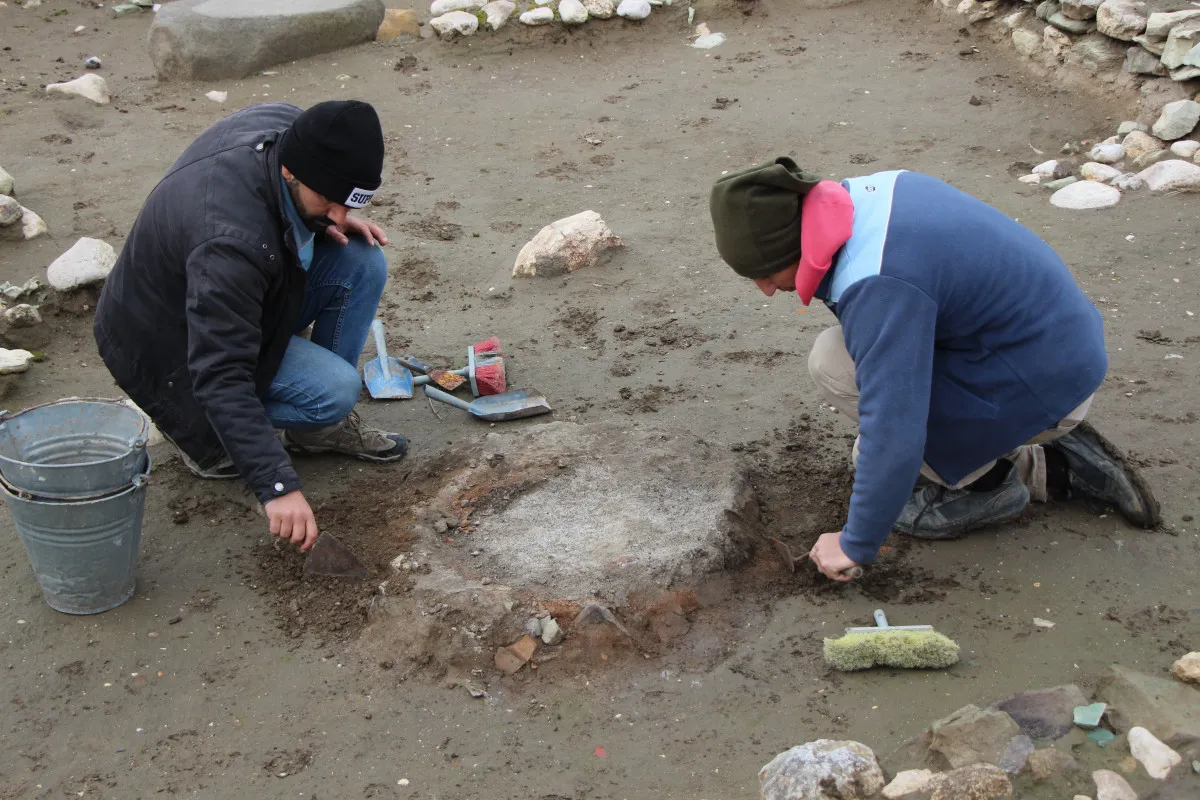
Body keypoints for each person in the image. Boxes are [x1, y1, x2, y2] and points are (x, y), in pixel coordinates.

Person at [709, 157, 1160, 581]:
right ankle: (1054, 459)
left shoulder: (878, 282)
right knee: (872, 440)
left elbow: (895, 430)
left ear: (793, 244)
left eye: (766, 273)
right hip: (1055, 352)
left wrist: (854, 543)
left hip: (1043, 379)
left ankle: (991, 488)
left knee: (837, 373)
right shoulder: (867, 196)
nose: (765, 290)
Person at [94, 99, 408, 554]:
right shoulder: (230, 242)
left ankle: (316, 430)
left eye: (348, 203)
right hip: (166, 343)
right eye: (329, 201)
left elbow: (316, 204)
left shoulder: (291, 134)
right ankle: (203, 435)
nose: (340, 215)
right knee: (336, 391)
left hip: (226, 297)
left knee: (361, 260)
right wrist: (276, 485)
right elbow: (220, 373)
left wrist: (326, 214)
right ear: (290, 173)